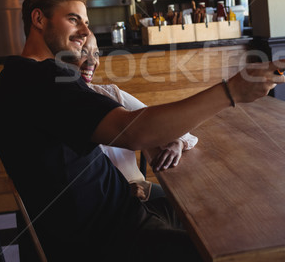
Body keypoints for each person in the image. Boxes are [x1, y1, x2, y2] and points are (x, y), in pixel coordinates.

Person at [0, 0, 285, 261]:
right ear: (38, 19)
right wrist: (231, 91)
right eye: (73, 19)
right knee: (237, 246)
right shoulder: (37, 81)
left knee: (228, 216)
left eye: (86, 22)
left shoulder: (34, 77)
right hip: (108, 240)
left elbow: (136, 127)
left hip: (121, 211)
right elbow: (134, 131)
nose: (84, 31)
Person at [76, 33, 198, 201]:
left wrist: (176, 141)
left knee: (192, 202)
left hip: (140, 189)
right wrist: (120, 190)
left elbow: (162, 124)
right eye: (83, 52)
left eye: (96, 53)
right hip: (106, 204)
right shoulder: (60, 108)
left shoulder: (111, 94)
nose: (92, 61)